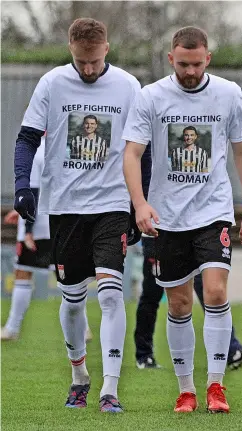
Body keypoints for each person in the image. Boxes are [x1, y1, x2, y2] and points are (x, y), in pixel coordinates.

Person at [122, 26, 242, 414]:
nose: (190, 72)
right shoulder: (151, 97)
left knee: (215, 292)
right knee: (179, 303)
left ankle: (216, 386)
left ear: (208, 59)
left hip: (213, 211)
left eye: (197, 64)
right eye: (183, 64)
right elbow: (132, 154)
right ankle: (186, 390)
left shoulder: (229, 93)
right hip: (167, 217)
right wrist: (140, 204)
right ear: (171, 59)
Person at [13, 18, 141, 413]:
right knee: (71, 300)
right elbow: (27, 138)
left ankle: (110, 389)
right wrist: (23, 185)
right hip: (65, 207)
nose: (88, 69)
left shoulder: (128, 86)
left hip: (112, 204)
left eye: (95, 61)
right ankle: (79, 376)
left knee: (109, 293)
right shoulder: (52, 84)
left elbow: (142, 148)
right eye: (81, 62)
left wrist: (140, 202)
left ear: (106, 49)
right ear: (71, 50)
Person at [2, 137, 93, 342]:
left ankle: (12, 328)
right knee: (71, 277)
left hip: (39, 225)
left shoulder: (35, 150)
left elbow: (32, 190)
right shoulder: (67, 146)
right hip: (66, 222)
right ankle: (83, 329)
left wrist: (27, 228)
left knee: (23, 272)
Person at [134, 235, 242, 370]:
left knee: (209, 290)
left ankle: (231, 349)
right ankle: (144, 354)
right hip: (159, 233)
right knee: (152, 293)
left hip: (192, 232)